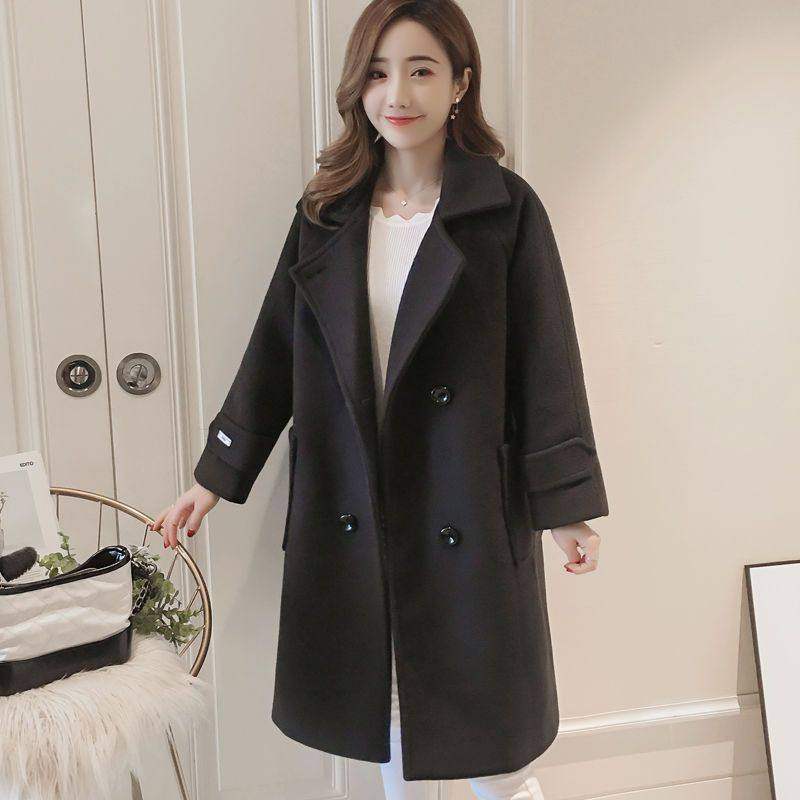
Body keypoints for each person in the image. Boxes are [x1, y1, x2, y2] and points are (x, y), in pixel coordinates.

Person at [153, 1, 606, 797]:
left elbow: (548, 364)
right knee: (386, 718)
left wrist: (564, 504)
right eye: (378, 72)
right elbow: (275, 350)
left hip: (463, 498)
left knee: (492, 753)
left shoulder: (504, 210)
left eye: (421, 70)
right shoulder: (326, 215)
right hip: (354, 500)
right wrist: (214, 476)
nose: (397, 93)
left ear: (460, 84)